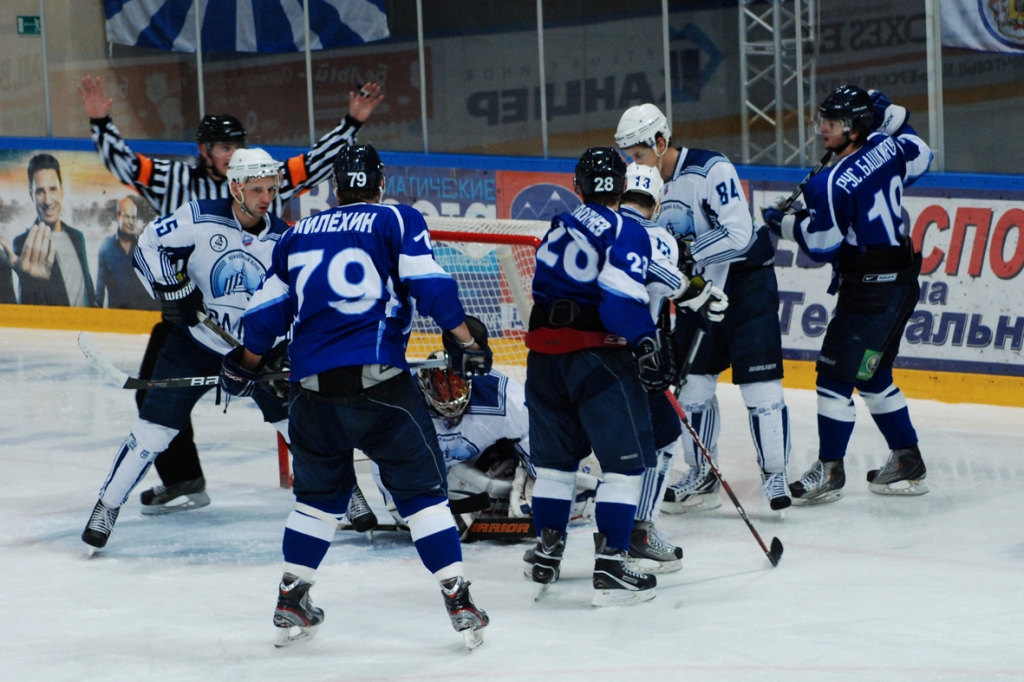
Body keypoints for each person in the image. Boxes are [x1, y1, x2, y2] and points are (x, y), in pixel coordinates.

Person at [220, 145, 491, 649]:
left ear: (337, 187)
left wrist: (246, 367)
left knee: (317, 502)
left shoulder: (296, 235)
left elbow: (262, 320)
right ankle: (457, 597)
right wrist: (469, 342)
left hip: (311, 397)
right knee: (422, 496)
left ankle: (290, 599)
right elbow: (431, 288)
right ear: (379, 184)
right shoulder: (396, 219)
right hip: (381, 390)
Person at [77, 75, 384, 511]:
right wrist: (100, 121)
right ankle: (182, 479)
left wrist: (350, 124)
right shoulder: (174, 181)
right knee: (155, 400)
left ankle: (343, 490)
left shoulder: (259, 182)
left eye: (238, 144)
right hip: (189, 308)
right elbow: (128, 166)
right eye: (224, 146)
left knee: (293, 415)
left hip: (251, 325)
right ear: (205, 152)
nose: (234, 153)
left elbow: (311, 163)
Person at [81, 148, 292, 549]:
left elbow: (298, 295)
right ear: (236, 187)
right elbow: (147, 246)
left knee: (298, 425)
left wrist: (285, 343)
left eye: (271, 187)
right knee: (152, 431)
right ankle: (106, 506)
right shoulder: (199, 216)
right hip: (195, 342)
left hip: (257, 350)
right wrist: (174, 289)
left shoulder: (283, 239)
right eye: (256, 188)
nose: (266, 197)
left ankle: (347, 498)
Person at [616, 103, 793, 513]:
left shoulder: (711, 169)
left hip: (748, 288)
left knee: (761, 391)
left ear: (661, 142)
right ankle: (702, 472)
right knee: (693, 389)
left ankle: (774, 473)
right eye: (628, 156)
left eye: (639, 154)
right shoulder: (641, 186)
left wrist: (686, 251)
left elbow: (740, 232)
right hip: (696, 292)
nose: (633, 163)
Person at [761, 86, 932, 502]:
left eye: (832, 124)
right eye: (822, 120)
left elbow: (822, 246)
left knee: (834, 378)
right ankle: (908, 459)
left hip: (871, 292)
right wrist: (891, 111)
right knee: (872, 375)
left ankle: (831, 471)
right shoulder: (887, 146)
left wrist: (785, 224)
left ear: (854, 129)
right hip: (902, 282)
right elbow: (922, 154)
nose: (822, 129)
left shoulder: (832, 182)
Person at [524, 147, 672, 606]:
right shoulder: (626, 228)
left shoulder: (560, 224)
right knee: (625, 467)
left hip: (545, 360)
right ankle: (610, 564)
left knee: (554, 465)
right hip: (597, 360)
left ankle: (547, 550)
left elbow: (541, 291)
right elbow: (617, 302)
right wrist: (647, 342)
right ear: (622, 184)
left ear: (578, 185)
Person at [617, 162, 728, 572]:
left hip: (583, 355)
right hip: (639, 352)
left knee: (585, 446)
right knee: (662, 437)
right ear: (657, 201)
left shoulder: (598, 227)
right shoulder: (660, 237)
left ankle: (550, 546)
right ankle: (639, 531)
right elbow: (674, 288)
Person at [7, 154, 95, 307]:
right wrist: (29, 283)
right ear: (31, 195)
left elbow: (88, 287)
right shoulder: (24, 243)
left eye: (53, 189)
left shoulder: (77, 237)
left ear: (61, 191)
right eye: (40, 191)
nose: (48, 201)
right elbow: (28, 306)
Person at [95, 196, 160, 310]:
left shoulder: (145, 247)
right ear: (118, 216)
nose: (131, 222)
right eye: (127, 217)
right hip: (116, 318)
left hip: (142, 317)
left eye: (133, 218)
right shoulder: (106, 248)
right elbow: (99, 290)